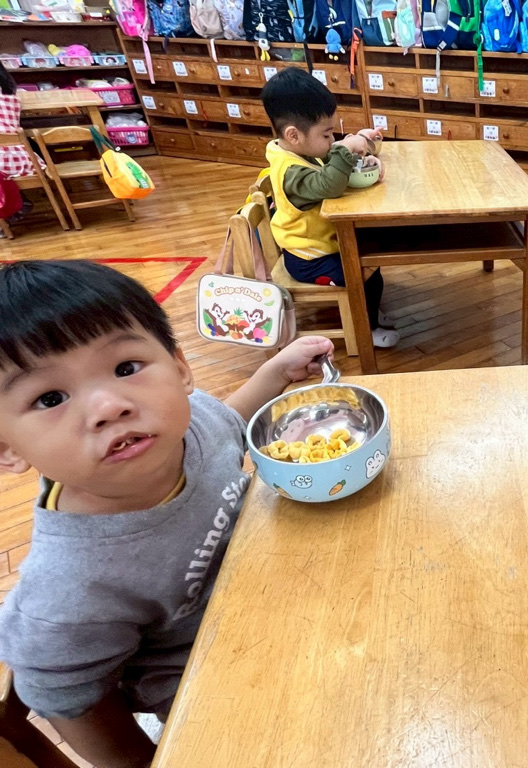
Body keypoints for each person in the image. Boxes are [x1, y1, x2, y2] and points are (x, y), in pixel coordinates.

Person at [0, 260, 333, 768]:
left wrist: (275, 375)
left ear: (179, 368)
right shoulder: (66, 591)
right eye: (50, 398)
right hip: (218, 685)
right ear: (6, 448)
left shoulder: (193, 425)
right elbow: (66, 697)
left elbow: (229, 424)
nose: (110, 406)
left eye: (125, 368)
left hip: (289, 587)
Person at [261, 67, 399, 349]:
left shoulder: (298, 150)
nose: (332, 140)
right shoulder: (291, 172)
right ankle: (368, 327)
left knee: (370, 258)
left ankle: (370, 310)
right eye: (326, 135)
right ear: (294, 135)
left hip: (322, 243)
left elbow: (332, 168)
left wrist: (363, 145)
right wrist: (345, 149)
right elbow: (329, 184)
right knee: (364, 271)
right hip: (309, 258)